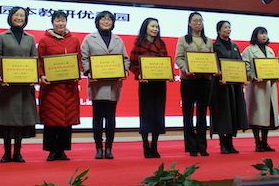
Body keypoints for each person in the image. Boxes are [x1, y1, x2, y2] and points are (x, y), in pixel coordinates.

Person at [81, 11, 130, 159]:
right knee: (97, 118)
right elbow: (84, 58)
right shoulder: (89, 39)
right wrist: (89, 71)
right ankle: (98, 148)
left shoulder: (118, 40)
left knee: (110, 118)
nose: (106, 22)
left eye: (109, 19)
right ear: (97, 21)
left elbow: (125, 59)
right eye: (103, 19)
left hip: (113, 84)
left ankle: (109, 148)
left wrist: (124, 71)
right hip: (97, 85)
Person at [0, 6, 40, 163]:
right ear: (10, 17)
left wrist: (34, 76)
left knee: (21, 120)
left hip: (24, 86)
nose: (19, 18)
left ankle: (18, 153)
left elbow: (34, 58)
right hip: (7, 85)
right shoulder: (2, 36)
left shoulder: (30, 38)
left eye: (22, 15)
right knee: (7, 120)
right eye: (16, 15)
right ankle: (6, 153)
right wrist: (1, 76)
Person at [38, 11, 81, 161]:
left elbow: (79, 60)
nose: (60, 23)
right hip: (51, 87)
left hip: (69, 87)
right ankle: (51, 150)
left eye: (63, 21)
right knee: (51, 119)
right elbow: (39, 61)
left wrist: (77, 72)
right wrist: (41, 75)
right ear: (52, 23)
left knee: (66, 119)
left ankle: (62, 150)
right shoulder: (44, 40)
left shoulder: (74, 40)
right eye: (58, 21)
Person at [174, 12, 215, 157]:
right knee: (188, 113)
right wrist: (185, 68)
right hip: (188, 80)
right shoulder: (183, 40)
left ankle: (202, 146)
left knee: (202, 114)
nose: (198, 23)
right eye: (195, 20)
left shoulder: (208, 41)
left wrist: (214, 69)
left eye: (200, 21)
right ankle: (191, 146)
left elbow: (212, 59)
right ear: (189, 23)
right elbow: (179, 58)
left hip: (205, 80)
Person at [129, 17, 169, 158]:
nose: (155, 29)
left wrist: (168, 74)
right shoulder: (139, 44)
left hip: (160, 84)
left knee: (158, 115)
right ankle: (146, 145)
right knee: (146, 115)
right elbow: (132, 63)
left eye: (156, 27)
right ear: (145, 27)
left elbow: (166, 62)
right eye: (152, 26)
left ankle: (155, 145)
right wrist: (139, 74)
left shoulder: (161, 44)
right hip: (145, 84)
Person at [242, 27, 279, 152]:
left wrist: (277, 76)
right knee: (257, 115)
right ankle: (257, 142)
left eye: (265, 33)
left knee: (267, 116)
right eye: (261, 34)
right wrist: (253, 76)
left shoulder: (270, 50)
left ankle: (265, 142)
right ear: (255, 35)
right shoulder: (249, 50)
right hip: (256, 86)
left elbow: (274, 67)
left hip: (269, 86)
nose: (264, 36)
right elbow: (245, 66)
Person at [211, 20, 249, 154]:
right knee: (223, 114)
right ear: (218, 30)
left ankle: (231, 143)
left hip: (234, 85)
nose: (228, 29)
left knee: (233, 113)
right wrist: (218, 75)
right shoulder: (214, 46)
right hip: (221, 85)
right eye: (225, 27)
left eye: (229, 27)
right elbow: (213, 64)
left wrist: (243, 78)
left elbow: (239, 64)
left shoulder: (234, 46)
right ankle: (223, 143)